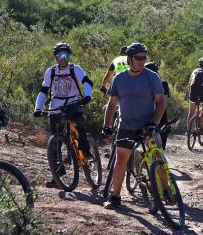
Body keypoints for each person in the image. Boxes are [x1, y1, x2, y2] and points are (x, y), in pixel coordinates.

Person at [101, 42, 166, 210]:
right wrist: (106, 125)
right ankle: (115, 196)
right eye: (138, 58)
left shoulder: (152, 76)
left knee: (157, 156)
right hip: (126, 125)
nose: (141, 61)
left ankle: (167, 189)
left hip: (148, 125)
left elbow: (161, 102)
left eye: (144, 57)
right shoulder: (119, 78)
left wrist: (154, 123)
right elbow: (112, 103)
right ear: (130, 59)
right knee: (121, 159)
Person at [33, 41, 94, 188]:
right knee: (55, 142)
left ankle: (86, 152)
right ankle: (58, 174)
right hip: (56, 106)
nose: (63, 58)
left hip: (72, 103)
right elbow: (43, 91)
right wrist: (38, 108)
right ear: (56, 57)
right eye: (60, 55)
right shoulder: (51, 72)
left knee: (79, 125)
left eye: (66, 55)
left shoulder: (75, 69)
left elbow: (87, 82)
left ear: (69, 56)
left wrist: (88, 95)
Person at [145, 61, 172, 149]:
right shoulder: (163, 84)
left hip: (149, 118)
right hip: (160, 118)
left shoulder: (143, 84)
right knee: (158, 149)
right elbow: (164, 103)